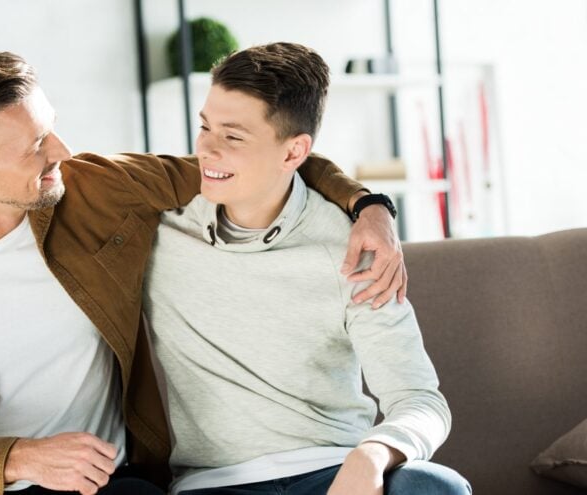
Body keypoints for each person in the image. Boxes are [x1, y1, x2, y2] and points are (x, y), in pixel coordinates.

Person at [0, 51, 404, 495]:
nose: (63, 149)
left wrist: (370, 206)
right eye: (37, 143)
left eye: (51, 127)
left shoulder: (94, 190)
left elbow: (259, 160)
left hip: (109, 488)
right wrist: (20, 457)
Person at [141, 42, 471, 495]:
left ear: (295, 152)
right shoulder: (156, 229)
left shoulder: (354, 247)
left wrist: (373, 454)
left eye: (233, 137)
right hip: (215, 483)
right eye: (204, 127)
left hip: (335, 470)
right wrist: (370, 201)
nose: (207, 150)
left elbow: (421, 400)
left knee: (435, 487)